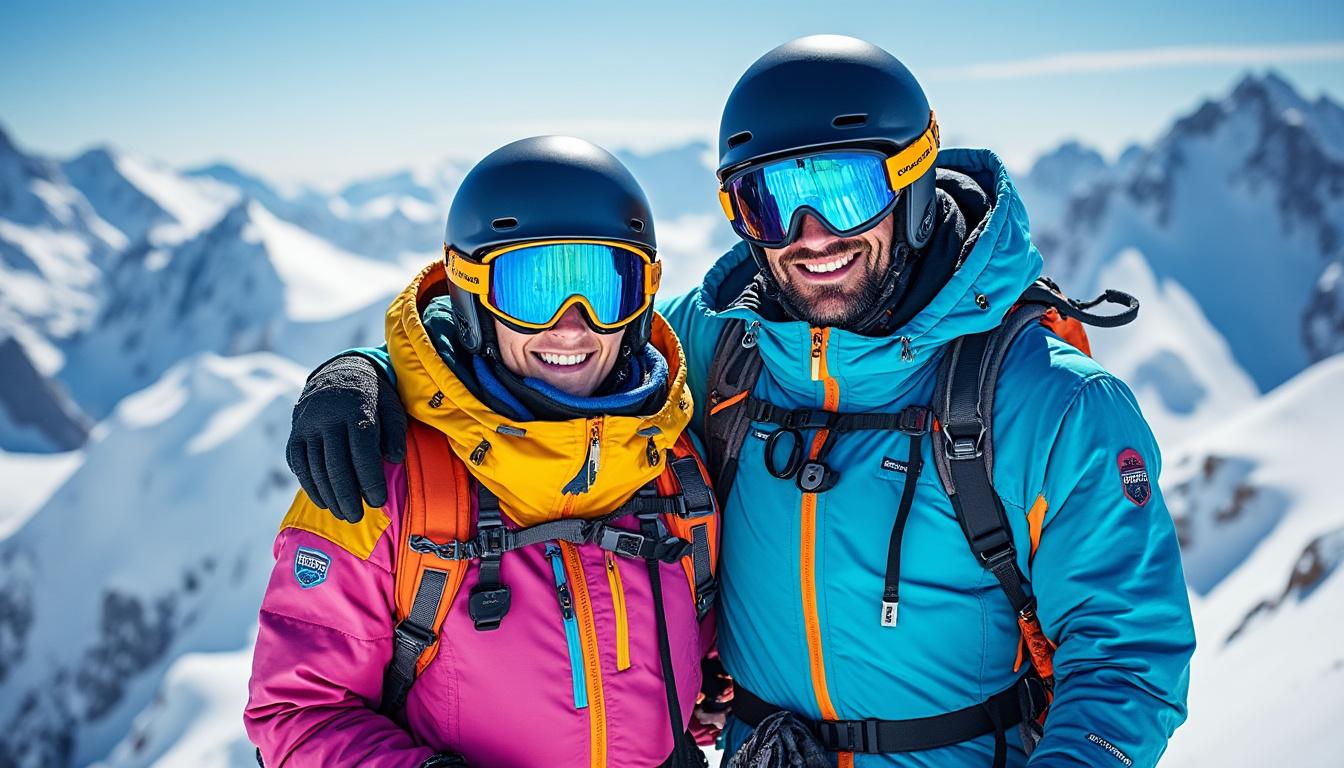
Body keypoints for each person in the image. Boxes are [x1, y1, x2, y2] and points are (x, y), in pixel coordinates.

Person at [286, 36, 1195, 767]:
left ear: (913, 181)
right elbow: (562, 356)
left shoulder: (1050, 405)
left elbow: (1127, 660)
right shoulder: (727, 350)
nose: (809, 236)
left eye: (842, 189)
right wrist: (371, 372)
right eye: (768, 200)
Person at [245, 136, 721, 768]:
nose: (571, 323)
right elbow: (296, 713)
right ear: (473, 300)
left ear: (642, 302)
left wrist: (706, 690)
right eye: (533, 288)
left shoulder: (676, 465)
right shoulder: (381, 476)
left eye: (605, 289)